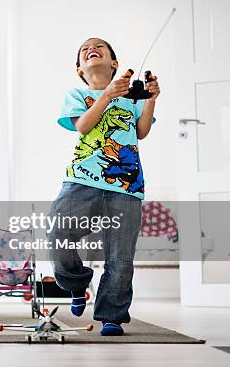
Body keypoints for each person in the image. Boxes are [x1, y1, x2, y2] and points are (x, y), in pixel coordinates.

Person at [48, 37, 159, 336]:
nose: (90, 49)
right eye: (84, 49)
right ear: (79, 69)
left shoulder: (132, 98)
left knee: (120, 258)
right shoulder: (77, 94)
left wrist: (150, 100)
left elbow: (142, 131)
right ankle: (76, 283)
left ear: (114, 63)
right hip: (81, 180)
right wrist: (107, 96)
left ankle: (112, 316)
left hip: (126, 184)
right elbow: (83, 126)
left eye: (99, 47)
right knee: (58, 232)